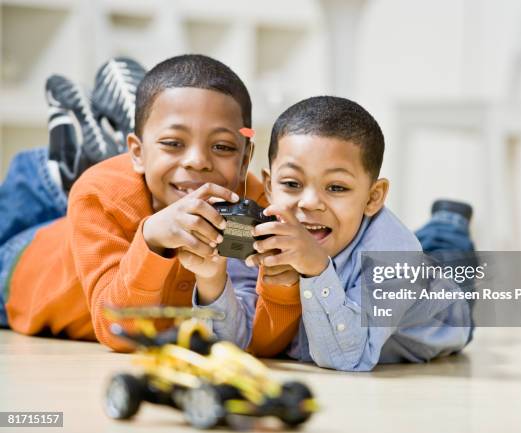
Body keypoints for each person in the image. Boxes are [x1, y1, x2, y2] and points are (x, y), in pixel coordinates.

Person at [0, 54, 266, 351]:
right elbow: (118, 330)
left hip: (111, 205)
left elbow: (263, 332)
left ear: (244, 161)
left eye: (223, 147)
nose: (198, 161)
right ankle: (53, 173)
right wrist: (151, 238)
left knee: (114, 184)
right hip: (20, 272)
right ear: (136, 153)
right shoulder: (98, 193)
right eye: (173, 143)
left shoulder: (254, 205)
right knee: (51, 182)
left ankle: (92, 156)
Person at [239, 96, 473, 371]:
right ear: (269, 186)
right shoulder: (266, 229)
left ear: (373, 197)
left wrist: (316, 270)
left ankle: (449, 221)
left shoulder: (395, 254)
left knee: (445, 251)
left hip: (442, 310)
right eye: (292, 184)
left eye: (336, 187)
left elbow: (348, 357)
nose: (309, 202)